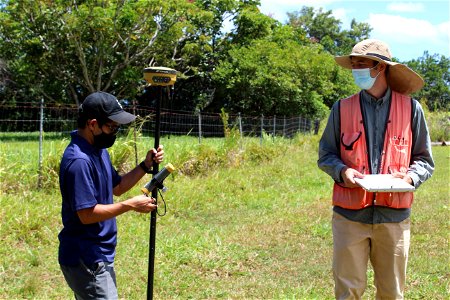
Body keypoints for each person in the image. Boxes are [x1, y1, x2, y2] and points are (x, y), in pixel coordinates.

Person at [318, 39, 434, 299]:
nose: (356, 70)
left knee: (392, 292)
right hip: (349, 218)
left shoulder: (411, 109)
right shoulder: (341, 108)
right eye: (354, 65)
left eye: (362, 64)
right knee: (348, 292)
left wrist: (411, 176)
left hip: (394, 219)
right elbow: (326, 154)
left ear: (380, 68)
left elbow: (425, 159)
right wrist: (342, 172)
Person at [58, 91, 164, 299]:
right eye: (112, 127)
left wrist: (145, 165)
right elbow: (87, 214)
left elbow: (117, 187)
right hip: (87, 258)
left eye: (118, 127)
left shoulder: (97, 150)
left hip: (98, 254)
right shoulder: (79, 161)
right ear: (92, 124)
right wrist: (129, 205)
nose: (115, 132)